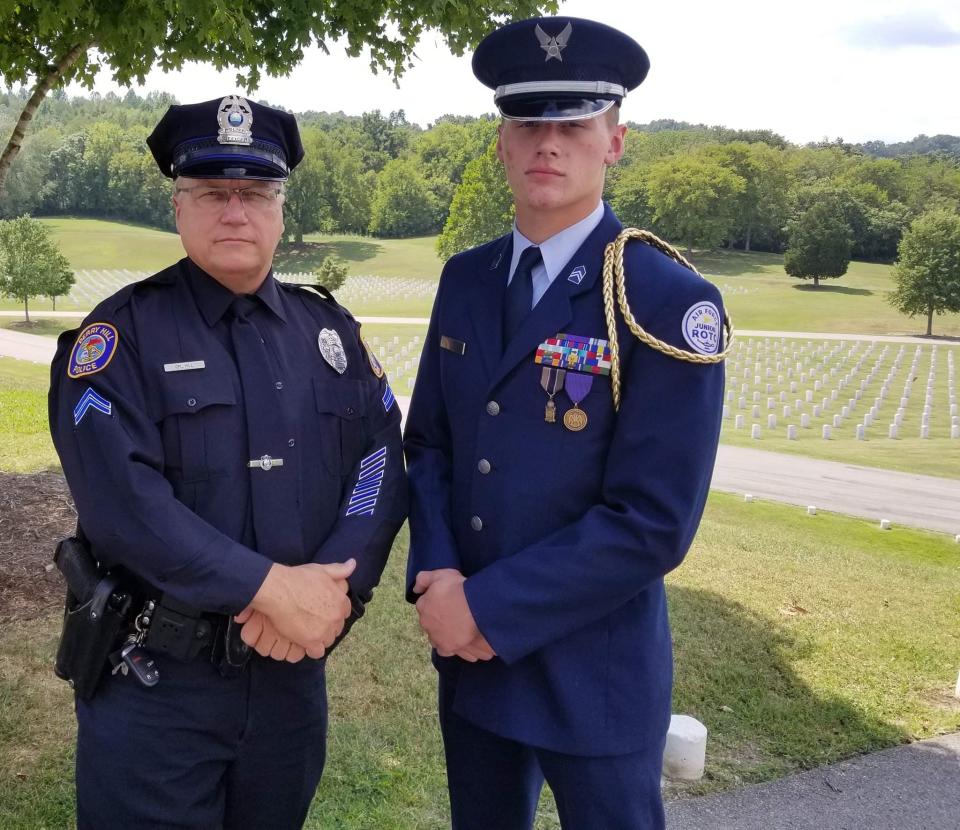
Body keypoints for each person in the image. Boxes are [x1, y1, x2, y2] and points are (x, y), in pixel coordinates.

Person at [48, 95, 407, 829]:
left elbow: (380, 461)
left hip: (290, 686)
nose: (235, 212)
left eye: (256, 193)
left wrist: (335, 592)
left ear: (281, 210)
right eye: (213, 193)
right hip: (156, 688)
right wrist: (268, 588)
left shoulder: (328, 333)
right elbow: (125, 507)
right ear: (179, 208)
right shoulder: (121, 337)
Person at [404, 17, 727, 830]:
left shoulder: (664, 300)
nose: (548, 143)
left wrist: (487, 607)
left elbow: (654, 522)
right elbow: (433, 444)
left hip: (594, 674)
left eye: (574, 125)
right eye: (528, 123)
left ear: (615, 140)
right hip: (474, 661)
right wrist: (438, 576)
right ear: (503, 142)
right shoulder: (467, 280)